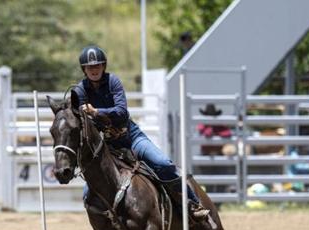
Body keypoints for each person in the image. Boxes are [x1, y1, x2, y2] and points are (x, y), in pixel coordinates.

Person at [74, 45, 209, 220]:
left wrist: (96, 112)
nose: (93, 70)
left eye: (97, 65)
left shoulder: (113, 81)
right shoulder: (80, 90)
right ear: (84, 69)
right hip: (106, 147)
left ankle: (192, 204)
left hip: (130, 137)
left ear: (103, 66)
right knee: (88, 193)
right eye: (89, 67)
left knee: (164, 163)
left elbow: (121, 111)